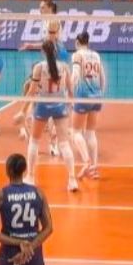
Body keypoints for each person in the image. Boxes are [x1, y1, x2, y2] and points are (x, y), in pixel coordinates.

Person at [16, 41, 82, 193]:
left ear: (43, 52)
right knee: (64, 144)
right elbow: (70, 89)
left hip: (43, 106)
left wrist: (22, 111)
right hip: (60, 106)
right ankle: (72, 180)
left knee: (34, 141)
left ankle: (30, 177)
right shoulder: (64, 67)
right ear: (56, 52)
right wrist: (72, 105)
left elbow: (31, 91)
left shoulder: (39, 67)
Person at [70, 32, 105, 180]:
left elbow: (76, 75)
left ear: (77, 42)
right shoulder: (96, 55)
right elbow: (102, 77)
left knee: (75, 132)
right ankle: (94, 169)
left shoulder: (77, 55)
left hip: (83, 96)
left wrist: (69, 91)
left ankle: (86, 161)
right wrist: (101, 93)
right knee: (91, 133)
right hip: (97, 97)